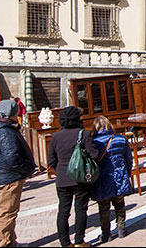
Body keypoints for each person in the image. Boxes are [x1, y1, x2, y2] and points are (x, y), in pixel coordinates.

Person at [47, 106, 100, 248]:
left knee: (63, 211)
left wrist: (61, 169)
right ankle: (79, 241)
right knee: (81, 209)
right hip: (80, 177)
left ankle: (64, 242)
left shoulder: (55, 137)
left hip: (62, 179)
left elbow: (51, 160)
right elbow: (94, 154)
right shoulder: (84, 134)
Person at [0, 99, 36, 247]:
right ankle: (0, 244)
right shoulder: (5, 132)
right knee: (6, 214)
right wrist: (27, 168)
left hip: (5, 175)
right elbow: (12, 158)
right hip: (10, 177)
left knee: (10, 213)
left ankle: (10, 242)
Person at [91, 116, 133, 242]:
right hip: (119, 175)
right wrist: (127, 173)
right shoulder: (120, 139)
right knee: (119, 203)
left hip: (102, 178)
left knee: (103, 206)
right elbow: (128, 159)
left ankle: (106, 233)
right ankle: (121, 228)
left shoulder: (93, 142)